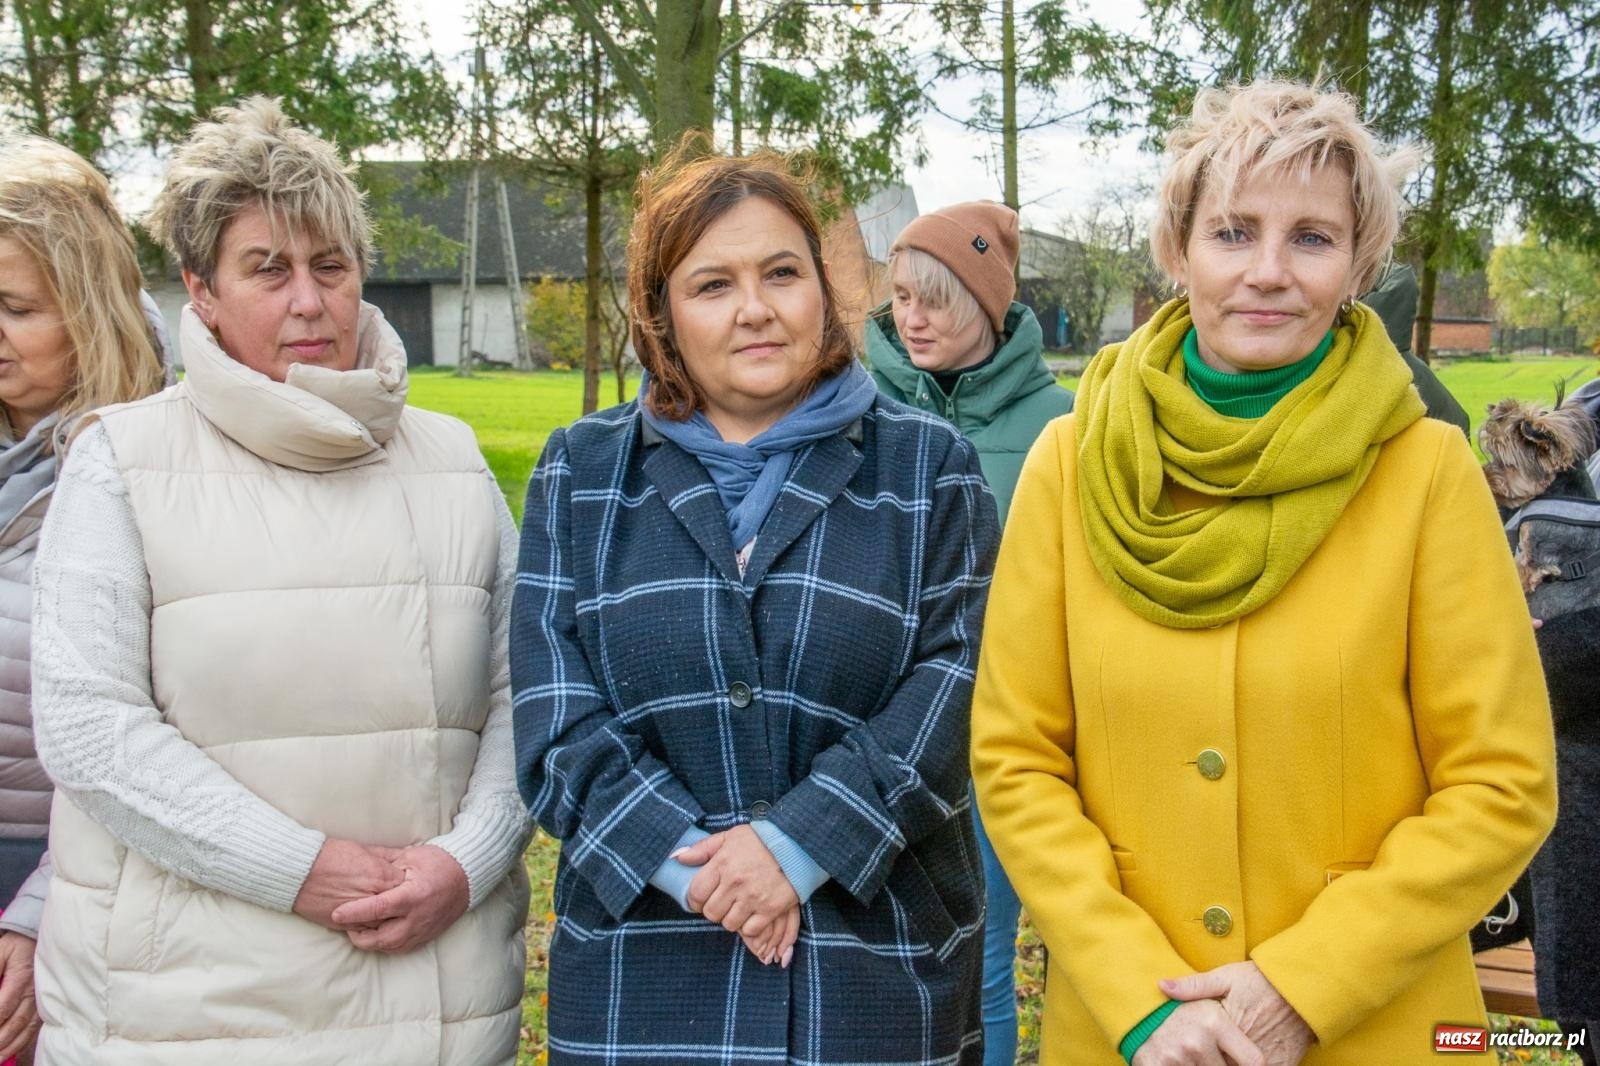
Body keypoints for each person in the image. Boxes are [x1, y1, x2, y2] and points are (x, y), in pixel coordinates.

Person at [970, 81, 1557, 1065]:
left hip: (1372, 1033)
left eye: (1312, 238)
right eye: (1233, 231)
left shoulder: (1424, 474)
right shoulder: (1069, 466)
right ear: (1178, 247)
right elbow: (1016, 757)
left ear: (1357, 263)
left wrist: (1306, 982)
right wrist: (1139, 997)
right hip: (1129, 1037)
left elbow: (1500, 780)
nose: (1268, 273)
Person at [27, 98, 531, 1065]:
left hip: (435, 1002)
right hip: (179, 1020)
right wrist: (303, 871)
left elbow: (529, 698)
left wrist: (463, 866)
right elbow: (90, 728)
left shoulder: (457, 465)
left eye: (329, 266)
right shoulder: (121, 464)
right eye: (267, 269)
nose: (309, 300)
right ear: (200, 293)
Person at [512, 146, 999, 1065]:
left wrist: (797, 844)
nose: (756, 309)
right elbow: (554, 718)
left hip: (872, 975)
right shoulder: (579, 474)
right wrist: (700, 873)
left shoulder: (929, 469)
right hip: (641, 976)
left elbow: (957, 685)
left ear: (825, 286)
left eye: (782, 272)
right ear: (661, 315)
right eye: (712, 284)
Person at [867, 199, 1073, 1066]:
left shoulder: (1062, 423)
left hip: (1006, 733)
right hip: (882, 725)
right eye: (902, 297)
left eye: (935, 301)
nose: (912, 319)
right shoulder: (858, 410)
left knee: (983, 954)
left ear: (987, 307)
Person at [0, 135, 167, 1066]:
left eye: (15, 309)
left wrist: (37, 914)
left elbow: (153, 726)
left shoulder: (147, 470)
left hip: (64, 878)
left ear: (90, 312)